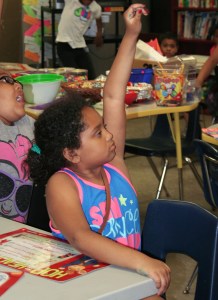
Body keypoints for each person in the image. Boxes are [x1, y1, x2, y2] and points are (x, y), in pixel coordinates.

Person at [27, 4, 171, 299]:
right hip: (88, 289)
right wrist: (142, 260)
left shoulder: (114, 164)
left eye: (104, 128)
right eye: (98, 133)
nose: (109, 135)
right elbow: (80, 237)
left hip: (129, 281)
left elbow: (114, 95)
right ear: (72, 153)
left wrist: (131, 34)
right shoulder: (62, 184)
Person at [0, 69, 35, 223]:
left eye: (16, 81)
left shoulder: (27, 123)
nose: (18, 85)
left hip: (20, 232)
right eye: (6, 80)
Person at [56, 0, 103, 80]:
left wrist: (99, 34)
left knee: (90, 76)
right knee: (73, 77)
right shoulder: (71, 1)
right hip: (64, 44)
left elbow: (99, 19)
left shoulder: (96, 7)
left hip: (79, 44)